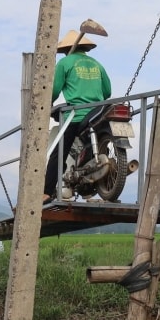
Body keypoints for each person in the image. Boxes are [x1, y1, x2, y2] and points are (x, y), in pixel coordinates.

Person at [44, 28, 112, 202]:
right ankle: (88, 190)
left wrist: (46, 105)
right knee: (90, 146)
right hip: (98, 112)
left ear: (66, 49)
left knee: (59, 152)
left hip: (76, 115)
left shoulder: (65, 63)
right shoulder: (97, 64)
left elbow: (53, 91)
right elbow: (107, 92)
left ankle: (46, 192)